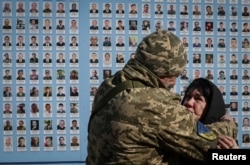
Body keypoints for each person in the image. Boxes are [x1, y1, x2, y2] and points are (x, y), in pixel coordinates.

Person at [87, 30, 238, 164]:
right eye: (175, 75)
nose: (174, 82)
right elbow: (210, 143)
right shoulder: (155, 104)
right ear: (166, 72)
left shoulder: (109, 86)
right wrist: (228, 124)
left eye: (199, 99)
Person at [180, 78, 238, 163]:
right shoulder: (174, 132)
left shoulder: (226, 142)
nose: (189, 102)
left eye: (198, 98)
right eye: (188, 97)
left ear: (211, 107)